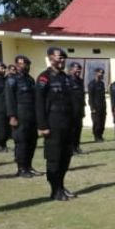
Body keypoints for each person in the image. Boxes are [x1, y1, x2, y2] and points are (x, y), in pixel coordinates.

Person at [36, 46, 77, 201]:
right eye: (59, 57)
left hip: (66, 123)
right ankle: (55, 190)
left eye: (63, 58)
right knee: (54, 158)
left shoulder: (65, 78)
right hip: (52, 124)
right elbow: (39, 104)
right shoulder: (44, 78)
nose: (62, 60)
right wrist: (42, 126)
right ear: (50, 58)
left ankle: (61, 185)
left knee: (66, 157)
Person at [5, 54, 41, 177]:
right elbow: (9, 99)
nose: (24, 66)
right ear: (16, 65)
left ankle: (29, 166)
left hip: (31, 115)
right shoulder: (12, 80)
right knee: (22, 142)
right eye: (20, 64)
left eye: (26, 64)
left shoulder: (30, 79)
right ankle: (21, 168)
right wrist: (12, 116)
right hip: (19, 115)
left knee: (32, 142)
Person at [68, 61, 87, 155]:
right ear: (71, 69)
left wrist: (83, 110)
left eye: (80, 69)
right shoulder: (67, 80)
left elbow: (82, 95)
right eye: (77, 69)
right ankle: (70, 148)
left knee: (78, 128)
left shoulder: (80, 81)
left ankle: (76, 146)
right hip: (70, 109)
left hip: (79, 109)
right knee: (71, 130)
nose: (78, 71)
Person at [88, 67, 107, 142]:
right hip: (95, 106)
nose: (102, 74)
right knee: (97, 122)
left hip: (102, 106)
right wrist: (92, 107)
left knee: (102, 122)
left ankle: (101, 136)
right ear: (96, 73)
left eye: (102, 73)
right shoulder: (92, 84)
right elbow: (90, 97)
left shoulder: (102, 83)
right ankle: (96, 136)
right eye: (100, 72)